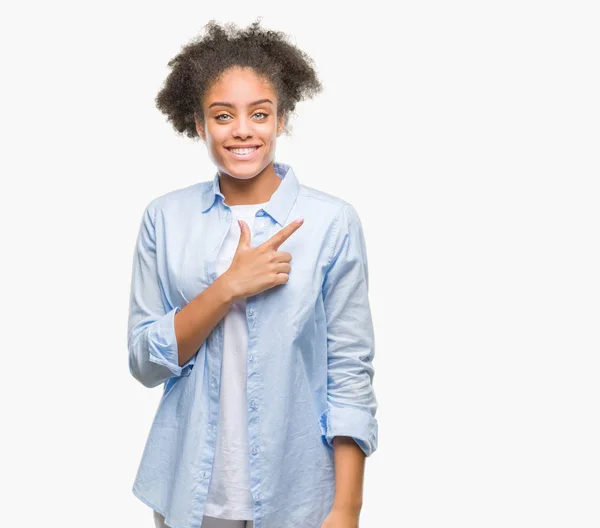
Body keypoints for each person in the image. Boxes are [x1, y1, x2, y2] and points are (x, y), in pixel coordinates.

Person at [127, 19, 378, 528]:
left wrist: (347, 509)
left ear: (281, 119)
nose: (242, 130)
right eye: (223, 116)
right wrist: (228, 288)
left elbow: (349, 372)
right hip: (188, 492)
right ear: (198, 124)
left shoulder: (332, 223)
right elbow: (144, 361)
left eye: (259, 114)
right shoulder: (164, 218)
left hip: (298, 494)